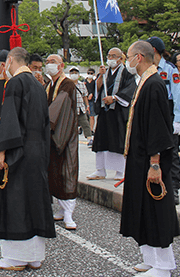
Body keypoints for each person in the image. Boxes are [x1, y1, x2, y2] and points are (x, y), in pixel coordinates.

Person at [0, 47, 55, 271]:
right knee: (34, 199)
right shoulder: (38, 84)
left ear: (9, 61)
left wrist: (1, 153)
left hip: (19, 150)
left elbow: (11, 121)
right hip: (37, 150)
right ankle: (35, 256)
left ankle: (16, 257)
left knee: (15, 200)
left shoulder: (15, 83)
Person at [119, 41, 178, 277]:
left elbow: (156, 126)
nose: (127, 62)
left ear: (139, 57)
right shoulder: (143, 81)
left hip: (149, 158)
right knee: (140, 208)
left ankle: (163, 267)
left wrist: (155, 163)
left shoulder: (154, 84)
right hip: (138, 157)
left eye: (128, 57)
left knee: (155, 211)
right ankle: (150, 257)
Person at [147, 37, 180, 205]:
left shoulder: (169, 69)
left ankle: (174, 186)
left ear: (153, 49)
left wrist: (177, 119)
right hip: (153, 110)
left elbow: (177, 95)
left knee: (172, 151)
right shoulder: (147, 69)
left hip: (168, 110)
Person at [88, 47, 135, 181]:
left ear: (121, 58)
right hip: (104, 111)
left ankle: (120, 171)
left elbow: (130, 89)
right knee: (101, 139)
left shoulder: (127, 72)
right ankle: (100, 170)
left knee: (118, 140)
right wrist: (101, 76)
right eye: (109, 56)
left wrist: (114, 98)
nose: (110, 59)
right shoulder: (105, 72)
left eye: (114, 56)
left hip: (118, 111)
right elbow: (96, 89)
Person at [45, 55, 79, 230]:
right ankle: (61, 208)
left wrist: (45, 122)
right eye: (48, 62)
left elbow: (60, 107)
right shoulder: (49, 84)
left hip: (64, 133)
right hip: (51, 133)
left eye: (53, 62)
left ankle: (69, 214)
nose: (49, 65)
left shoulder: (67, 84)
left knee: (67, 170)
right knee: (54, 172)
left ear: (61, 65)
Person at [69, 66, 93, 141]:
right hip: (71, 109)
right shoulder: (67, 84)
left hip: (81, 108)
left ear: (78, 75)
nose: (74, 74)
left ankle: (89, 138)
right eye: (72, 73)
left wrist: (87, 105)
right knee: (70, 125)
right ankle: (70, 139)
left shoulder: (82, 85)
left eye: (75, 73)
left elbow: (85, 96)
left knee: (85, 124)